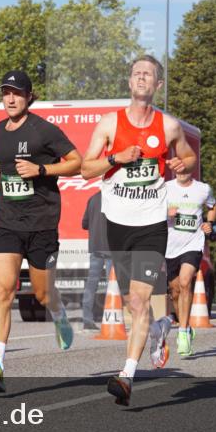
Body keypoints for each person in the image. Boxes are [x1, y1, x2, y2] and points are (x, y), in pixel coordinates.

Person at [81, 55, 196, 406]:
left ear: (158, 85)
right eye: (136, 74)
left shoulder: (169, 126)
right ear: (130, 82)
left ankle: (127, 375)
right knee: (132, 304)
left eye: (148, 74)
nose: (142, 78)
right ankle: (160, 328)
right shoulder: (109, 124)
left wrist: (181, 164)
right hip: (118, 224)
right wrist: (116, 158)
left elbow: (190, 158)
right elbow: (86, 169)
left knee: (138, 299)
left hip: (151, 226)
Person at [0, 70, 82, 392]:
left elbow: (76, 162)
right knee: (2, 293)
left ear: (29, 97)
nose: (10, 98)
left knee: (43, 294)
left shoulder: (43, 131)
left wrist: (41, 169)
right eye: (6, 92)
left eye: (17, 93)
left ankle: (58, 314)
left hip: (41, 223)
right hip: (5, 221)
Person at [165, 168, 216, 356]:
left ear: (191, 169)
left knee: (185, 282)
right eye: (178, 169)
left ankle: (183, 333)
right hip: (170, 246)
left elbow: (212, 206)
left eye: (185, 168)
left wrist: (209, 224)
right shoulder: (165, 187)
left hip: (193, 244)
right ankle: (186, 325)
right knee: (175, 291)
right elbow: (150, 211)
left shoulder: (203, 189)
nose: (181, 172)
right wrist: (166, 213)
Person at [80, 190, 109, 331]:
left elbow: (84, 224)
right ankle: (111, 319)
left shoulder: (92, 198)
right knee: (113, 286)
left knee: (91, 285)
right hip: (111, 248)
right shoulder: (116, 197)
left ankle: (87, 320)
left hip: (95, 247)